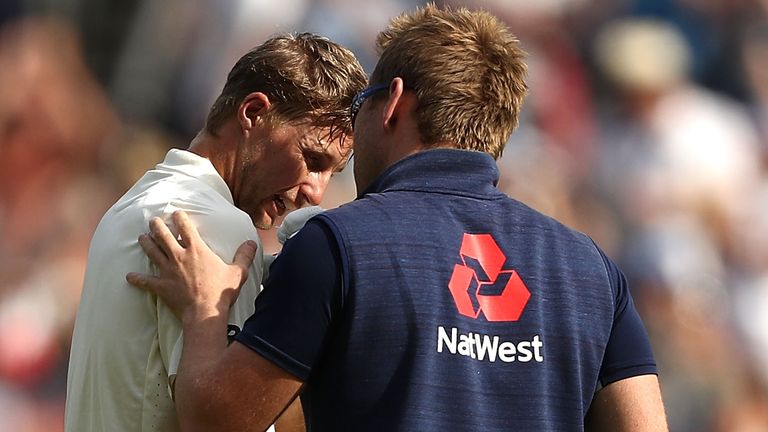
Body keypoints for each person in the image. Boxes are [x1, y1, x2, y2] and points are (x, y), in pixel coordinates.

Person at [127, 4, 669, 431]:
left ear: (393, 103)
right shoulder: (591, 271)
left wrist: (204, 310)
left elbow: (215, 422)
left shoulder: (337, 245)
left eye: (361, 102)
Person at [65, 33, 367, 432]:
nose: (316, 191)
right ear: (254, 112)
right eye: (311, 158)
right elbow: (231, 423)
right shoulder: (216, 224)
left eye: (332, 171)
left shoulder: (132, 202)